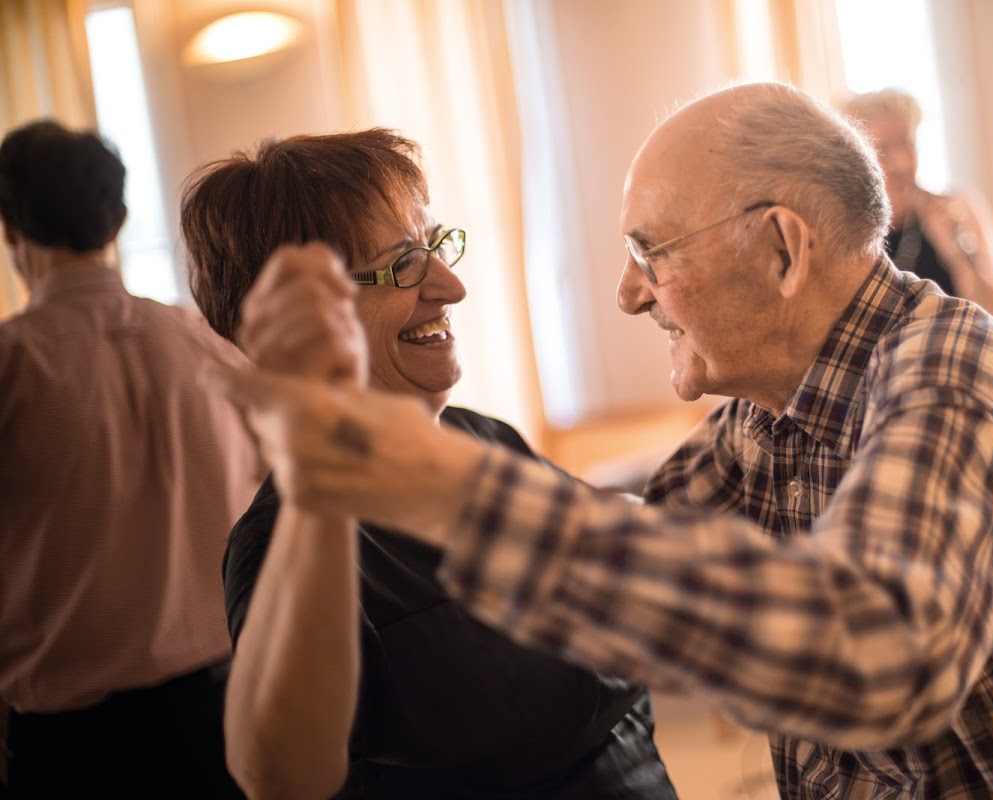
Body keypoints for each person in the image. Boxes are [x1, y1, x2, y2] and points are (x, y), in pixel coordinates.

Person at [205, 83, 993, 798]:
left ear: (781, 251)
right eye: (403, 265)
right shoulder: (772, 411)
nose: (627, 292)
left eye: (649, 251)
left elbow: (877, 655)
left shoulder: (948, 374)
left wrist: (434, 481)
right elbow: (639, 531)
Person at [180, 129, 678, 800]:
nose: (451, 286)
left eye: (435, 247)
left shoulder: (488, 441)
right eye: (402, 265)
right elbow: (282, 778)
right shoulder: (281, 544)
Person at [0, 120, 257, 798]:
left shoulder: (11, 365)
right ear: (117, 218)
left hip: (76, 745)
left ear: (10, 230)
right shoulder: (202, 342)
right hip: (225, 713)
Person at [840, 88, 993, 326]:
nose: (902, 164)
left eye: (907, 144)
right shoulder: (846, 229)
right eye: (883, 149)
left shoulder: (959, 210)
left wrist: (958, 251)